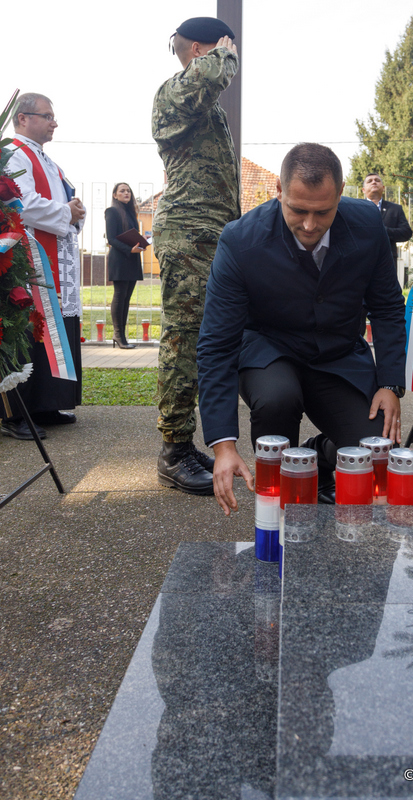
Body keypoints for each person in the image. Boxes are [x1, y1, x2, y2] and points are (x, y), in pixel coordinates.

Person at [197, 143, 407, 515]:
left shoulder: (368, 224)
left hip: (338, 357)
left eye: (322, 212)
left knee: (377, 456)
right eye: (298, 210)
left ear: (340, 195)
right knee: (277, 398)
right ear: (279, 190)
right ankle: (278, 501)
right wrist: (223, 446)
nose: (309, 225)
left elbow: (388, 307)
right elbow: (217, 344)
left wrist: (389, 385)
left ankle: (315, 456)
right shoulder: (241, 240)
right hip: (269, 352)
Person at [152, 16, 240, 495]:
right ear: (201, 51)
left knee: (208, 341)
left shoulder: (203, 105)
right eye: (224, 47)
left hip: (212, 236)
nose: (232, 57)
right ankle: (173, 452)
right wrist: (222, 54)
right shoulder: (173, 94)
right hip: (187, 235)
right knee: (183, 343)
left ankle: (188, 444)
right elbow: (207, 76)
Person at [1, 92, 85, 440]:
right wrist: (67, 212)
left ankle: (46, 404)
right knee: (27, 328)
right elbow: (22, 203)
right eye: (47, 116)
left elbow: (62, 200)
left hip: (55, 258)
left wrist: (74, 211)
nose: (54, 123)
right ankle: (15, 413)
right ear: (23, 118)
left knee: (53, 326)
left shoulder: (47, 160)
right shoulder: (13, 154)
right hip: (27, 259)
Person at [105, 183, 144, 350]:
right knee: (120, 295)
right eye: (122, 191)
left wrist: (141, 242)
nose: (126, 193)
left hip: (132, 259)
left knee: (127, 298)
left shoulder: (131, 213)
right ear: (115, 195)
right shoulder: (112, 211)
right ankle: (118, 334)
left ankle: (122, 336)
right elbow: (111, 239)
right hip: (120, 259)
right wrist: (129, 249)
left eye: (128, 191)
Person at [362, 173, 413, 263]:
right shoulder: (356, 208)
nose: (374, 182)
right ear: (363, 190)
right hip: (362, 260)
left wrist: (383, 231)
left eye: (377, 180)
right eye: (369, 181)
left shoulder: (395, 209)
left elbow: (406, 233)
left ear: (383, 188)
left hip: (387, 262)